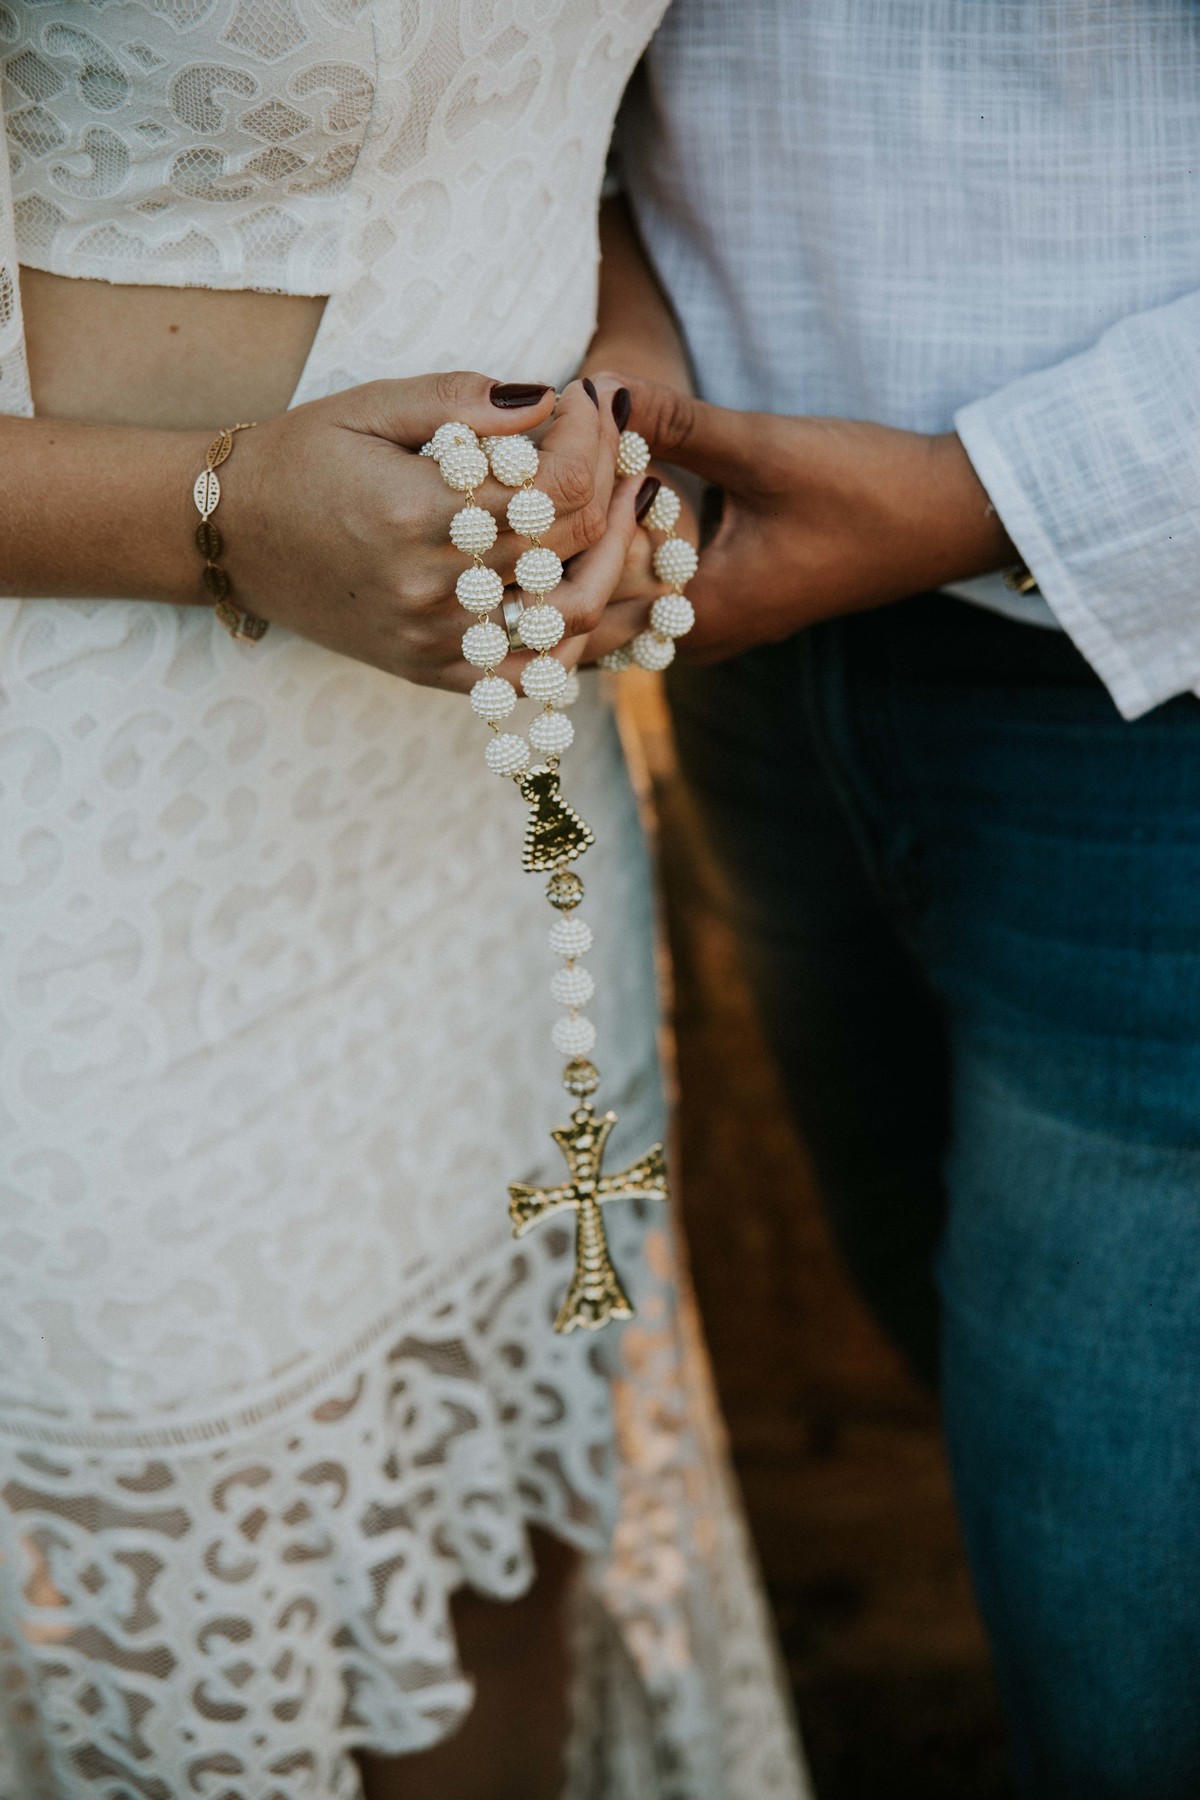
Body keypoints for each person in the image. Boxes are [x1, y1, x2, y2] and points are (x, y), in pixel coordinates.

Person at [0, 5, 811, 1797]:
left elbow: (544, 126)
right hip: (91, 864)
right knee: (185, 1635)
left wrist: (622, 378)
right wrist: (213, 510)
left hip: (475, 817)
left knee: (494, 1586)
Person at [601, 4, 1200, 1797]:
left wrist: (982, 497)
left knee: (1121, 1657)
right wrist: (616, 330)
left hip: (1153, 690)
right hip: (749, 651)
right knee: (980, 1391)